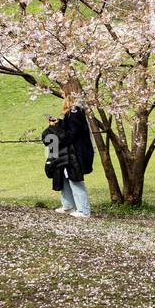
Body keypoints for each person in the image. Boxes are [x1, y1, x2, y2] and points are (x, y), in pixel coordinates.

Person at [43, 79, 95, 218]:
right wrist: (58, 123)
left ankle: (84, 210)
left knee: (75, 178)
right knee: (65, 176)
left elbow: (72, 134)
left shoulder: (76, 110)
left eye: (63, 90)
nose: (60, 92)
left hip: (76, 151)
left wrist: (56, 130)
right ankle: (68, 206)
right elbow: (69, 128)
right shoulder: (71, 111)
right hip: (70, 151)